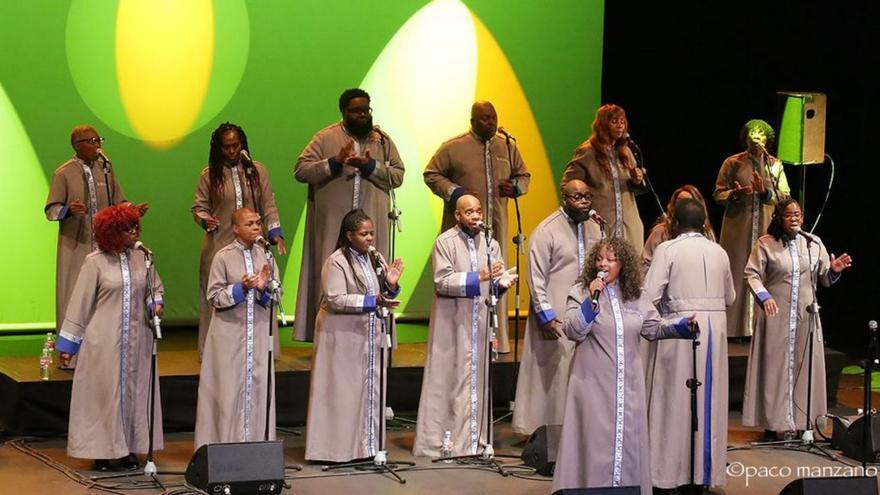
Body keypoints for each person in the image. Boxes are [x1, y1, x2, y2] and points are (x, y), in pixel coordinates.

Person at [553, 238, 696, 494]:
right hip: (592, 386)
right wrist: (591, 302)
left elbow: (652, 328)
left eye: (611, 259)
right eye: (600, 259)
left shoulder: (636, 296)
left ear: (623, 264)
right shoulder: (581, 291)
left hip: (628, 387)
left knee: (627, 442)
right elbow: (572, 330)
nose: (604, 264)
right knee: (593, 444)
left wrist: (682, 326)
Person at [56, 204, 164, 471]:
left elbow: (155, 288)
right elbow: (79, 304)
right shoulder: (95, 262)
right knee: (105, 395)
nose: (134, 233)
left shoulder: (143, 257)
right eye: (128, 229)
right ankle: (103, 452)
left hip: (138, 340)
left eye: (135, 227)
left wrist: (155, 303)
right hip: (104, 342)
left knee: (134, 393)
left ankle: (127, 448)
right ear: (113, 232)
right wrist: (69, 345)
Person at [294, 88, 405, 342]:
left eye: (366, 110)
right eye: (356, 111)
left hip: (370, 223)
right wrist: (335, 163)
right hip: (334, 224)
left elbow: (397, 175)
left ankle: (378, 335)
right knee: (331, 275)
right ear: (343, 112)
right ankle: (327, 337)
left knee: (377, 273)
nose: (362, 115)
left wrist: (368, 166)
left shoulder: (382, 141)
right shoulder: (325, 137)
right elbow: (301, 170)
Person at [413, 194, 517, 457]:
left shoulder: (491, 244)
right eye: (469, 212)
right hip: (452, 324)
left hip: (479, 323)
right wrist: (480, 276)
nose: (476, 217)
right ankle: (445, 445)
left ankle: (475, 442)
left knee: (475, 381)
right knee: (449, 381)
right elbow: (442, 282)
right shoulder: (444, 242)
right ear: (457, 216)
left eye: (479, 211)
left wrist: (500, 285)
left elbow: (489, 288)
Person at [642, 198, 736, 490]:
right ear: (704, 223)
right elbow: (730, 297)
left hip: (681, 329)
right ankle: (703, 475)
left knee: (673, 401)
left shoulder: (667, 249)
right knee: (709, 401)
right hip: (715, 333)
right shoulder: (719, 251)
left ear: (675, 223)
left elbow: (648, 295)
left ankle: (668, 474)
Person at [423, 101, 530, 353]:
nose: (490, 123)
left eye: (493, 118)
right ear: (472, 121)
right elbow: (431, 174)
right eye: (483, 119)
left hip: (496, 227)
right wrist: (456, 193)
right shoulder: (453, 147)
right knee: (464, 278)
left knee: (496, 277)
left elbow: (524, 176)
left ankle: (497, 341)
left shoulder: (507, 146)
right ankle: (458, 343)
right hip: (461, 233)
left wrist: (515, 187)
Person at [741, 198, 852, 439]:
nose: (794, 219)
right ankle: (772, 424)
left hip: (806, 317)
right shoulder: (766, 244)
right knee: (774, 370)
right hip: (776, 316)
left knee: (806, 368)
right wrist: (764, 296)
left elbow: (823, 277)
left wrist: (834, 270)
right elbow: (751, 274)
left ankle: (804, 423)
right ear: (779, 218)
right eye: (789, 215)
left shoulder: (813, 243)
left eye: (798, 215)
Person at [305, 209, 404, 462]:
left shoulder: (375, 257)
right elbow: (336, 299)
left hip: (366, 337)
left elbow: (383, 294)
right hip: (341, 337)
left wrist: (391, 285)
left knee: (365, 391)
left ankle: (366, 448)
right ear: (349, 235)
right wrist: (374, 300)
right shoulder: (336, 261)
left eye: (371, 233)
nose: (370, 238)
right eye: (364, 234)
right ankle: (335, 451)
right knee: (342, 393)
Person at [46, 125, 147, 368]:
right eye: (91, 141)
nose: (97, 145)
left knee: (103, 296)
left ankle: (101, 355)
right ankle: (70, 357)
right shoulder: (64, 173)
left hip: (105, 247)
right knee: (75, 297)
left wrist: (131, 211)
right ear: (77, 145)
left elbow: (119, 201)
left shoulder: (106, 170)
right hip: (76, 246)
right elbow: (51, 210)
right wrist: (69, 211)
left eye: (98, 139)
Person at [511, 179, 602, 435]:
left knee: (581, 370)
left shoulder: (595, 228)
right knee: (553, 372)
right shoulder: (547, 230)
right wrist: (545, 315)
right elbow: (535, 276)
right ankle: (543, 431)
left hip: (585, 309)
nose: (584, 201)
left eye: (587, 195)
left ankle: (579, 429)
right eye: (577, 197)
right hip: (556, 310)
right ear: (564, 198)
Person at [192, 122, 285, 357]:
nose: (232, 151)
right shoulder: (209, 174)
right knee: (220, 297)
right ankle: (215, 353)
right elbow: (198, 208)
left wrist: (275, 233)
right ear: (218, 149)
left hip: (254, 245)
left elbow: (268, 205)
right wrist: (205, 220)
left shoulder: (257, 170)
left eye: (236, 145)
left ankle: (262, 351)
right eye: (227, 147)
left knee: (261, 291)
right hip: (219, 246)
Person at [194, 207, 281, 449]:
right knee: (228, 392)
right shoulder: (222, 256)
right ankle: (226, 449)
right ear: (235, 228)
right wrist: (241, 289)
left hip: (259, 335)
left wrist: (264, 288)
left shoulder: (266, 256)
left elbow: (277, 294)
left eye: (258, 223)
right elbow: (213, 296)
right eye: (250, 223)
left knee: (257, 388)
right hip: (230, 336)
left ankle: (255, 447)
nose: (256, 227)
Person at [714, 119, 790, 339]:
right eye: (751, 133)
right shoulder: (732, 163)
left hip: (765, 228)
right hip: (738, 227)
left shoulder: (775, 165)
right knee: (736, 271)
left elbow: (784, 197)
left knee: (764, 273)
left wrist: (766, 193)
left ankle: (759, 328)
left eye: (760, 133)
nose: (756, 138)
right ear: (745, 137)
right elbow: (718, 194)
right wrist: (734, 194)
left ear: (768, 139)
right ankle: (733, 330)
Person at [561, 104, 645, 256]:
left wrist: (637, 180)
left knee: (629, 273)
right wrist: (587, 211)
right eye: (614, 121)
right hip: (601, 225)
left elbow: (637, 189)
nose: (620, 125)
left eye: (623, 121)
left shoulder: (626, 152)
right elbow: (568, 185)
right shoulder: (587, 151)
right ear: (603, 125)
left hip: (629, 228)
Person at [641, 185, 716, 273]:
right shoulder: (661, 232)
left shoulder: (707, 233)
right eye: (679, 201)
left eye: (687, 201)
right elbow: (644, 265)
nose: (683, 205)